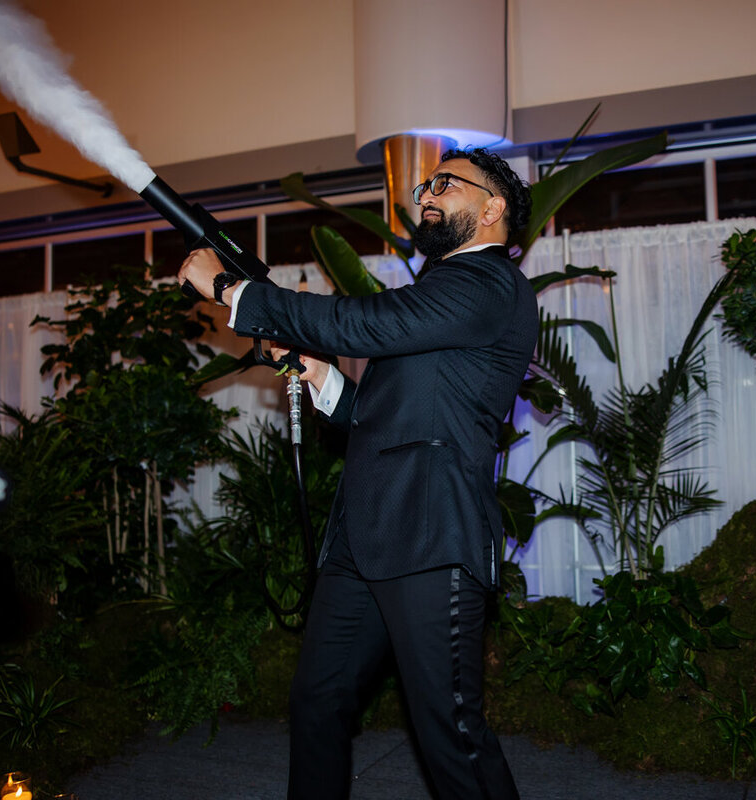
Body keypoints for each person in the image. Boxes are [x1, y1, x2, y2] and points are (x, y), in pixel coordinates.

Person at [178, 148, 537, 800]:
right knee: (318, 700)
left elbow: (365, 321)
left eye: (447, 184)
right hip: (363, 538)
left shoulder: (488, 284)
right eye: (428, 183)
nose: (428, 193)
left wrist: (234, 291)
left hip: (431, 537)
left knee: (450, 733)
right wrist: (318, 374)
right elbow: (377, 416)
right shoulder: (437, 295)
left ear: (493, 209)